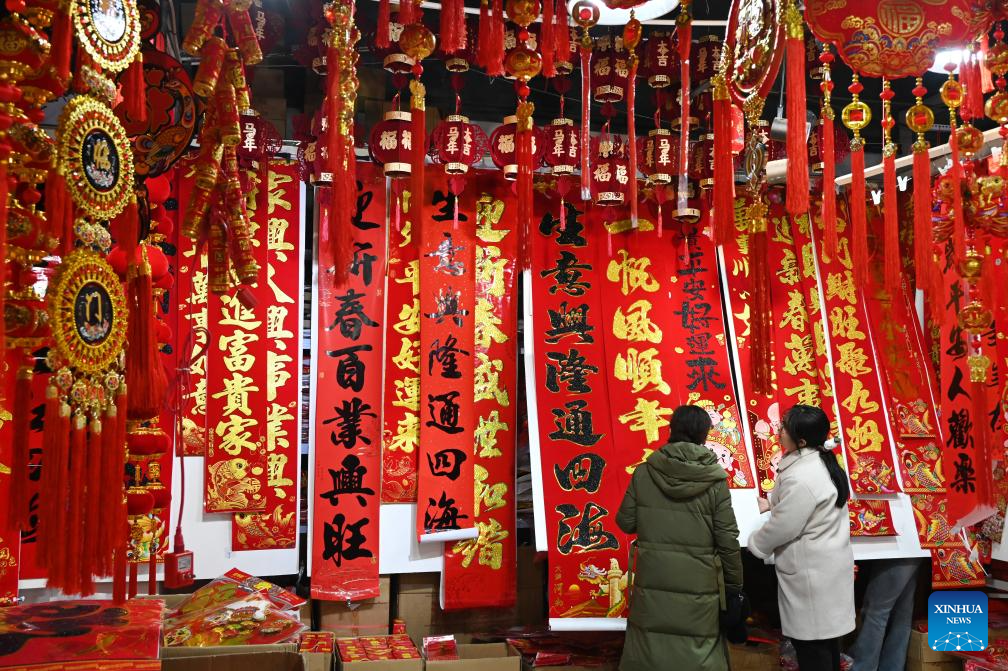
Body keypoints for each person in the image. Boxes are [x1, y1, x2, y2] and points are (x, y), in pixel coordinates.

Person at [616, 404, 743, 671]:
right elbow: (727, 539)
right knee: (699, 650)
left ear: (671, 429)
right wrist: (734, 587)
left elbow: (626, 522)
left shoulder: (645, 472)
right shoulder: (715, 480)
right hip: (700, 584)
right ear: (704, 435)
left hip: (654, 577)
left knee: (650, 649)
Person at [748, 404, 855, 671]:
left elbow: (785, 526)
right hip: (825, 569)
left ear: (802, 441)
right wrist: (774, 504)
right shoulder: (817, 461)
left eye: (785, 428)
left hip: (812, 576)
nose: (779, 431)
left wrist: (756, 543)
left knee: (813, 650)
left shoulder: (803, 475)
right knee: (826, 646)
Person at [849, 558, 927, 671]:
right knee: (901, 614)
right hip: (914, 550)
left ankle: (863, 667)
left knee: (877, 613)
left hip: (894, 551)